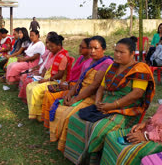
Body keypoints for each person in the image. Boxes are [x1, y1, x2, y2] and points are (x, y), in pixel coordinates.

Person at [64, 37, 155, 165]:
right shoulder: (113, 66)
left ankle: (90, 160)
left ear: (132, 54)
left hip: (125, 110)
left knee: (98, 129)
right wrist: (97, 101)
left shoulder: (140, 69)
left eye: (121, 52)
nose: (117, 54)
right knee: (75, 118)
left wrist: (112, 105)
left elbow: (136, 94)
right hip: (104, 105)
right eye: (116, 51)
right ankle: (75, 155)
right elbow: (101, 87)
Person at [48, 36, 113, 152]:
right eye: (90, 48)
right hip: (80, 92)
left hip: (91, 97)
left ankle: (67, 145)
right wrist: (70, 93)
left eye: (95, 48)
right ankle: (59, 138)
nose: (92, 51)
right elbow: (80, 81)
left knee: (68, 115)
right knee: (59, 106)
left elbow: (93, 87)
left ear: (103, 49)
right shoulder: (90, 61)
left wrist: (75, 99)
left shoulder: (106, 63)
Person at [41, 38, 91, 128]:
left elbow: (82, 80)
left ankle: (52, 124)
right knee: (49, 91)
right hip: (69, 83)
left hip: (75, 87)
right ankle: (47, 121)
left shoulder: (89, 63)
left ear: (89, 49)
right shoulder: (80, 58)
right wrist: (66, 83)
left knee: (50, 96)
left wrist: (69, 86)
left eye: (82, 47)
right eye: (79, 46)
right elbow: (72, 73)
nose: (79, 48)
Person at [25, 34, 71, 120]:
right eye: (49, 46)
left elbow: (60, 75)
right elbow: (47, 67)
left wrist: (47, 79)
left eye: (52, 46)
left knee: (36, 89)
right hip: (48, 78)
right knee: (29, 86)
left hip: (56, 81)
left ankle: (38, 115)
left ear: (59, 46)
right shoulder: (53, 54)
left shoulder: (63, 57)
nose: (49, 48)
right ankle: (34, 112)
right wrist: (43, 77)